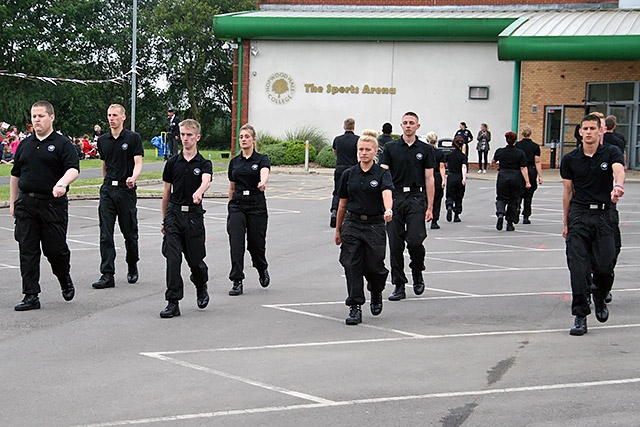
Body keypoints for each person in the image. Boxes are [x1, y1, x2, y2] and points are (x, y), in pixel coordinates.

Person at [10, 101, 79, 311]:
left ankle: (64, 277)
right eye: (33, 116)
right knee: (27, 250)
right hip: (27, 204)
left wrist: (62, 184)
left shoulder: (62, 144)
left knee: (55, 250)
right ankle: (31, 295)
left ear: (51, 117)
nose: (36, 120)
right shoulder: (25, 145)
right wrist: (14, 203)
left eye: (40, 116)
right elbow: (15, 175)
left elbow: (73, 169)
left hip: (52, 205)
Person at [560, 113, 625, 336]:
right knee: (578, 269)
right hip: (579, 216)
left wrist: (617, 186)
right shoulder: (570, 159)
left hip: (604, 216)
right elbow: (567, 192)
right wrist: (566, 222)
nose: (588, 132)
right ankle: (580, 315)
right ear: (580, 132)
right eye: (584, 129)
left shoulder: (611, 153)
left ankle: (599, 294)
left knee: (605, 267)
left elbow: (619, 170)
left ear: (601, 131)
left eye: (592, 128)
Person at [335, 130, 394, 325]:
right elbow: (342, 203)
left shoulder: (382, 174)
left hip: (375, 223)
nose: (363, 153)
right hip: (352, 224)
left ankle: (376, 290)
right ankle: (355, 306)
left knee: (374, 266)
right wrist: (338, 229)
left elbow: (386, 192)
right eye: (361, 149)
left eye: (368, 149)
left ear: (375, 152)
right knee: (351, 264)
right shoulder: (348, 174)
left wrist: (388, 209)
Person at [379, 112, 435, 301]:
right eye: (405, 123)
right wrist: (383, 203)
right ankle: (399, 285)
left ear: (418, 126)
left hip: (416, 197)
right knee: (395, 244)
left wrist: (430, 207)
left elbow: (429, 178)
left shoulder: (425, 149)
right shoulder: (391, 147)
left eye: (412, 123)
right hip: (395, 197)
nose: (408, 126)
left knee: (415, 240)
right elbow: (383, 175)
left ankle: (417, 271)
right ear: (400, 126)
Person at [159, 119, 212, 318]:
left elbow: (206, 180)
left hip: (193, 217)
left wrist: (199, 192)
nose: (185, 139)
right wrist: (164, 220)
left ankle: (201, 285)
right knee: (173, 260)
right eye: (182, 135)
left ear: (197, 137)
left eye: (189, 135)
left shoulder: (203, 163)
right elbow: (166, 194)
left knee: (196, 261)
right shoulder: (172, 162)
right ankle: (173, 301)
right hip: (174, 215)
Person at [91, 104, 144, 289]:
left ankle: (132, 264)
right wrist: (106, 183)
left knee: (129, 233)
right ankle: (107, 273)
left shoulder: (132, 138)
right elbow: (104, 165)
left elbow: (138, 162)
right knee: (105, 233)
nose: (111, 118)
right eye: (109, 115)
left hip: (125, 190)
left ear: (123, 117)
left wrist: (133, 177)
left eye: (115, 115)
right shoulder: (103, 140)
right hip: (108, 190)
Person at [227, 124, 271, 296]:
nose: (243, 139)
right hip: (237, 204)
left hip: (256, 204)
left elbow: (265, 171)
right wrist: (230, 208)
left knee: (256, 245)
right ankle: (237, 280)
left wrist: (263, 182)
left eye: (247, 136)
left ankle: (261, 267)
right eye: (241, 137)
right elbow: (231, 187)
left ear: (253, 139)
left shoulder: (261, 159)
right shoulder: (234, 162)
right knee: (236, 242)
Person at [492, 131, 530, 232]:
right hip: (515, 177)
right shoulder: (520, 153)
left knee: (501, 197)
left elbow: (493, 162)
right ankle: (509, 223)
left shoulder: (500, 151)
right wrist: (527, 181)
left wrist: (495, 164)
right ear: (515, 140)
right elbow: (523, 168)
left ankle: (500, 213)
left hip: (503, 175)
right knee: (513, 200)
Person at [330, 118, 359, 228]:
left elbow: (335, 152)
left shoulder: (337, 139)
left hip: (340, 167)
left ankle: (334, 210)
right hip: (352, 168)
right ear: (354, 127)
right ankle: (348, 213)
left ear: (344, 126)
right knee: (351, 191)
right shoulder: (357, 139)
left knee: (338, 190)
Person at [515, 125, 543, 224]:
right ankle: (526, 216)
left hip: (519, 170)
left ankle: (516, 209)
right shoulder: (535, 146)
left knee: (518, 193)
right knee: (529, 194)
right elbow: (537, 161)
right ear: (531, 133)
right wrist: (540, 176)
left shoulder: (517, 145)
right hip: (531, 169)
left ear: (522, 133)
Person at [444, 136, 468, 223]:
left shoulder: (449, 155)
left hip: (451, 176)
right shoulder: (463, 156)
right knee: (459, 196)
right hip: (459, 176)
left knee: (450, 194)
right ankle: (456, 215)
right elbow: (464, 167)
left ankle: (449, 205)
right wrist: (464, 178)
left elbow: (444, 165)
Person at [426, 132, 446, 229]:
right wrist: (443, 179)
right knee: (437, 199)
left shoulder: (425, 152)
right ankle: (434, 221)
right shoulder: (440, 153)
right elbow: (442, 167)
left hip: (426, 176)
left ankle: (423, 216)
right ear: (436, 141)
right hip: (437, 176)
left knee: (424, 198)